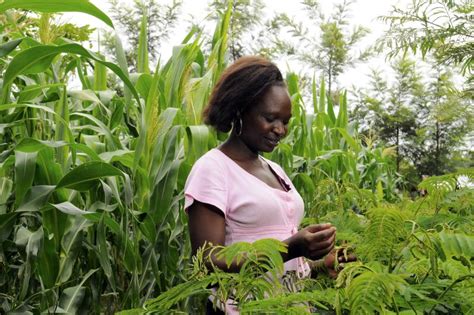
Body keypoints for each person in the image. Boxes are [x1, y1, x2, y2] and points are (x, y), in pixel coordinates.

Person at [184, 56, 351, 314]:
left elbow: (283, 262)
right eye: (271, 118)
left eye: (285, 121)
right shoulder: (213, 169)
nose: (280, 130)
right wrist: (288, 248)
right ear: (240, 110)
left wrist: (321, 263)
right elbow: (207, 261)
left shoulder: (275, 171)